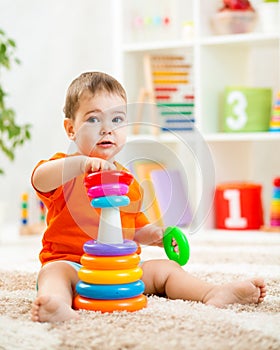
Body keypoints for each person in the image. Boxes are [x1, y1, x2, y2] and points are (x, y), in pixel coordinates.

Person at [31, 72, 266, 323]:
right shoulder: (65, 168)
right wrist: (80, 164)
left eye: (117, 119)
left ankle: (213, 292)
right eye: (94, 119)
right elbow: (39, 178)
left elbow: (134, 229)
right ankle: (56, 306)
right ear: (71, 129)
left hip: (119, 272)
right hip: (74, 267)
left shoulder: (128, 182)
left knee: (166, 270)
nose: (107, 129)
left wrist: (154, 234)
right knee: (53, 273)